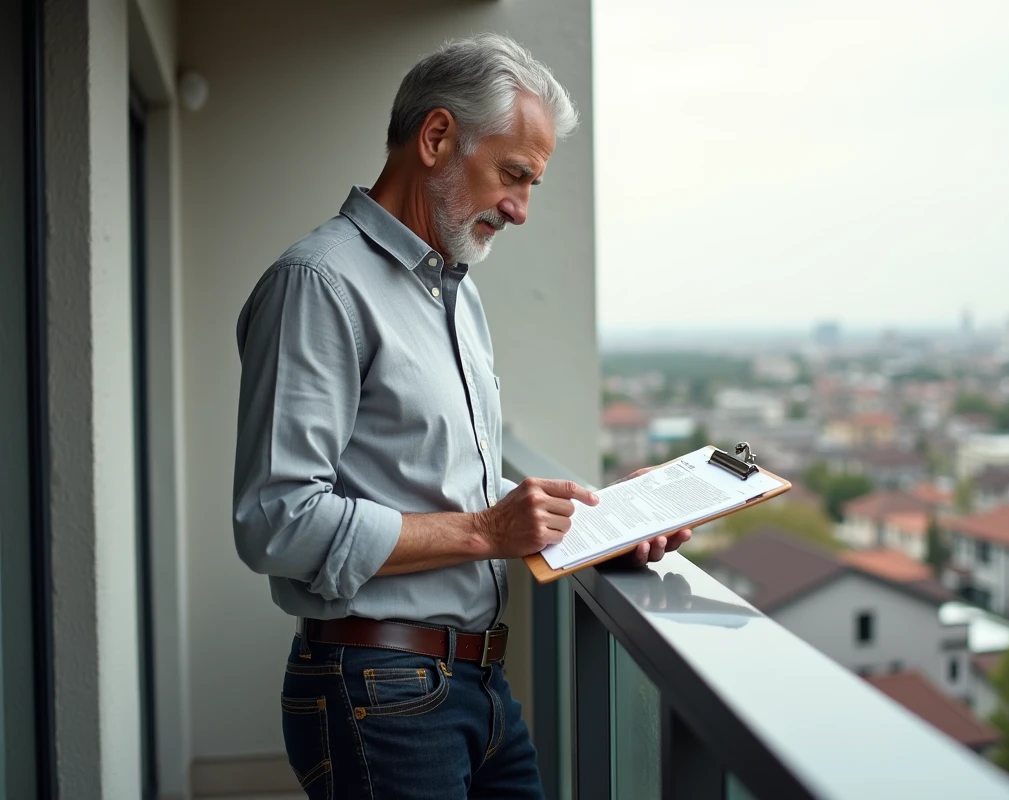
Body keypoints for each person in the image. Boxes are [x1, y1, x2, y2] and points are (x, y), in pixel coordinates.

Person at [231, 33, 690, 799]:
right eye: (515, 176)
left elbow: (437, 477)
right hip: (380, 689)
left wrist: (602, 519)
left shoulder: (456, 291)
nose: (521, 209)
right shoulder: (319, 284)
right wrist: (486, 534)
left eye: (533, 184)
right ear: (437, 136)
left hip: (474, 685)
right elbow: (276, 520)